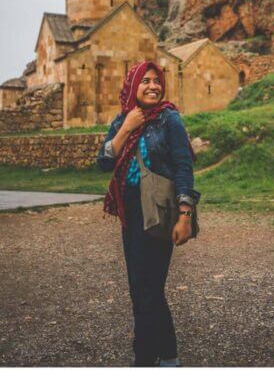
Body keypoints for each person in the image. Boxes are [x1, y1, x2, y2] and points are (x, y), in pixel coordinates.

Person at [98, 61, 199, 367]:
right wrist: (127, 126)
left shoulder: (169, 119)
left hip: (160, 214)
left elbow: (183, 165)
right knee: (145, 289)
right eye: (146, 80)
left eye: (157, 80)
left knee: (147, 290)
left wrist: (185, 213)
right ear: (133, 85)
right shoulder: (122, 120)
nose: (153, 86)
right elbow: (103, 161)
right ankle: (168, 357)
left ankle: (143, 361)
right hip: (131, 217)